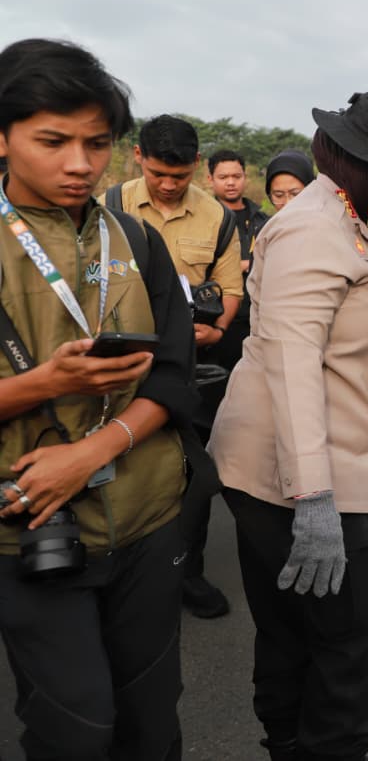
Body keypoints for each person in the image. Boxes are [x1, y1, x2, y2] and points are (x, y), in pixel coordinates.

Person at [209, 91, 368, 761]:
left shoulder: (344, 217)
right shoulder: (314, 227)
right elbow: (292, 365)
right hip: (295, 473)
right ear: (358, 164)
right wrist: (314, 497)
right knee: (349, 627)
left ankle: (289, 741)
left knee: (292, 622)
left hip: (299, 465)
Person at [0, 37, 196, 761]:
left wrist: (97, 448)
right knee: (74, 726)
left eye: (97, 143)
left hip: (145, 515)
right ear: (3, 136)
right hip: (28, 523)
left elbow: (175, 375)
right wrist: (44, 384)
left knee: (151, 718)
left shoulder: (138, 240)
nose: (80, 164)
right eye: (52, 141)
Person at [104, 113, 242, 619]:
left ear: (197, 167)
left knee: (193, 476)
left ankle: (189, 570)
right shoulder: (109, 205)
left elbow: (230, 288)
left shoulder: (218, 219)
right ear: (138, 157)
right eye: (159, 173)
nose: (167, 185)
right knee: (123, 465)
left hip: (193, 366)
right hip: (122, 366)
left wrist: (218, 328)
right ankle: (120, 573)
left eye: (179, 177)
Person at [205, 148, 270, 373]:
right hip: (215, 318)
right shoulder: (203, 218)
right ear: (210, 179)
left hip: (256, 321)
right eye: (223, 177)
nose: (231, 183)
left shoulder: (263, 220)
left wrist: (247, 265)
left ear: (245, 177)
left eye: (237, 176)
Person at [265, 148, 315, 213]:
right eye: (279, 195)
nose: (287, 203)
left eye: (295, 194)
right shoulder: (265, 222)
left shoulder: (327, 221)